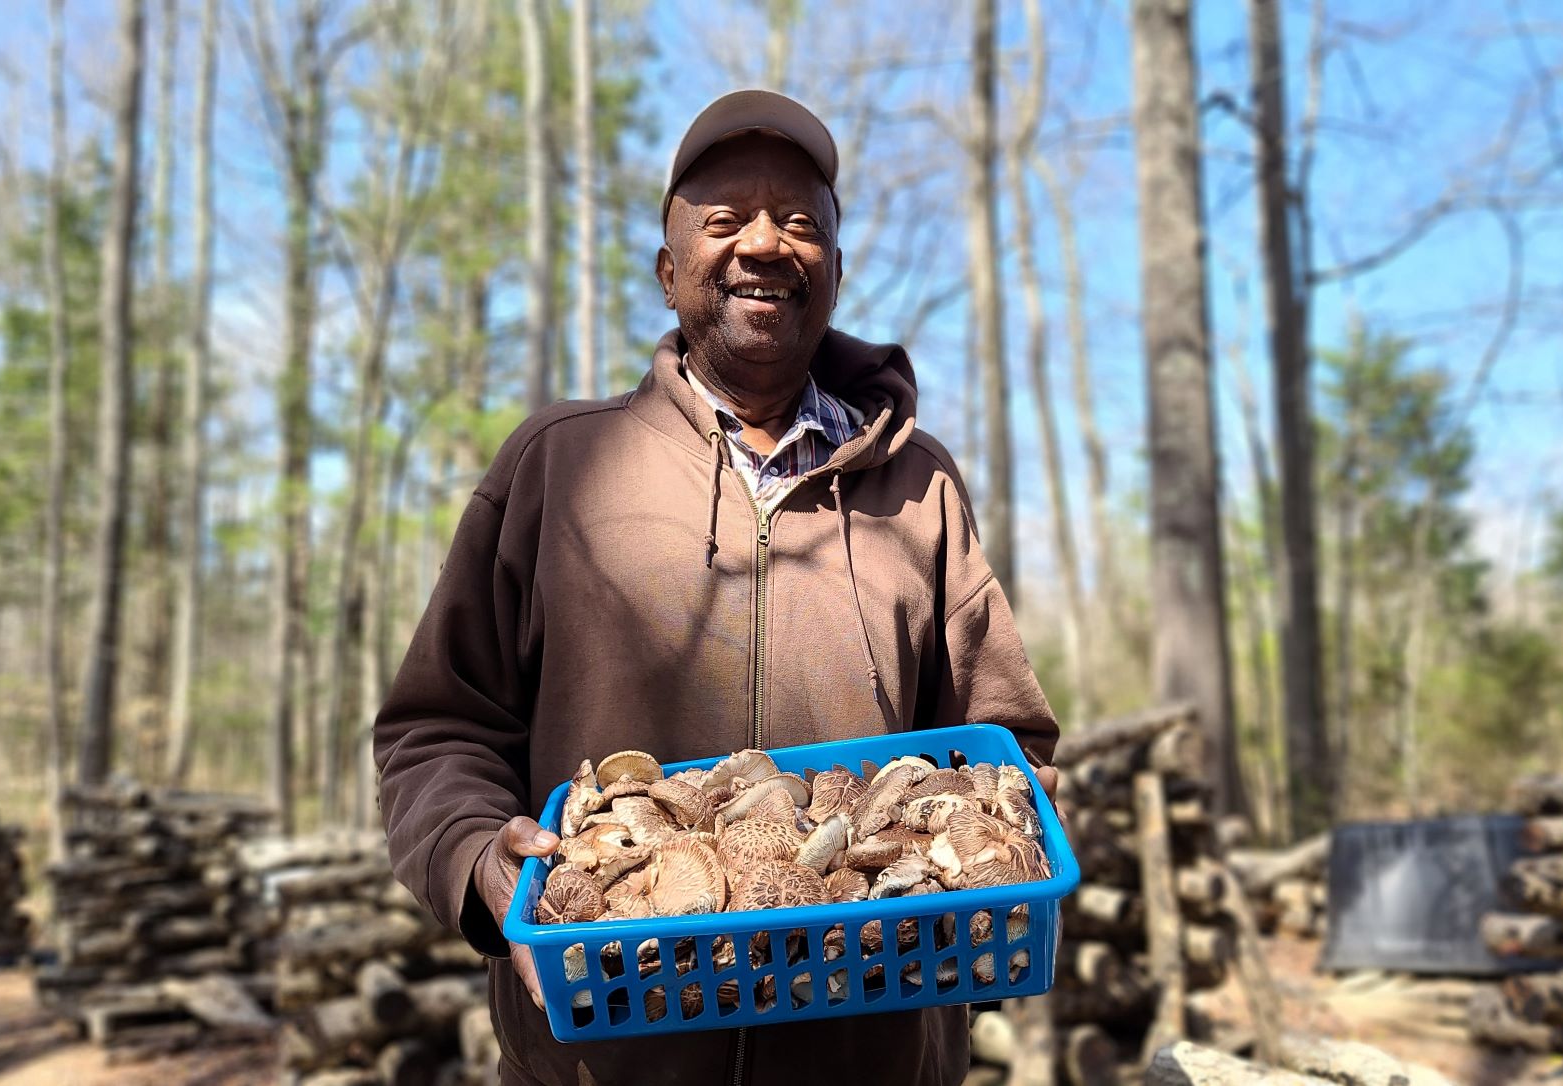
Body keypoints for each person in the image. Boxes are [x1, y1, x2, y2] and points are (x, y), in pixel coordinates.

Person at [374, 89, 1060, 1086]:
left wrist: (990, 878)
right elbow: (435, 729)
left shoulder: (918, 487)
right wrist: (482, 861)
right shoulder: (558, 467)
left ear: (834, 269)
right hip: (601, 1054)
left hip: (864, 1055)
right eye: (725, 221)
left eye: (798, 224)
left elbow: (1003, 752)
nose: (765, 246)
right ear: (667, 271)